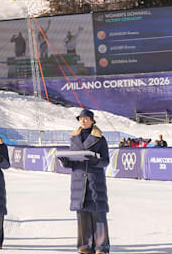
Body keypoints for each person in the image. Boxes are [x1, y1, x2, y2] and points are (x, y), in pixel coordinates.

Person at [58, 109, 110, 254]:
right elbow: (73, 162)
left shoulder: (100, 139)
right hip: (78, 180)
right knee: (82, 214)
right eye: (81, 118)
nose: (83, 121)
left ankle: (101, 246)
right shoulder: (73, 138)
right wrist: (66, 162)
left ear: (92, 121)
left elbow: (106, 161)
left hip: (94, 179)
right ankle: (84, 246)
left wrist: (96, 161)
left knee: (98, 213)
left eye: (86, 118)